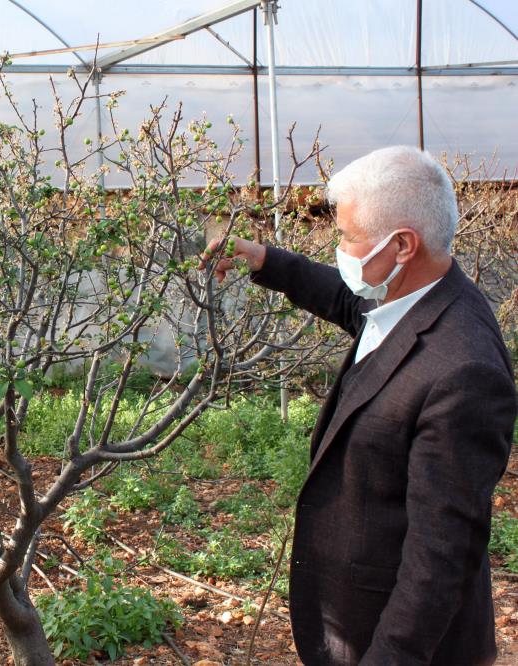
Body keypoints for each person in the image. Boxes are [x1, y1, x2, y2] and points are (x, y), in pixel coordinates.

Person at [205, 146, 516, 665]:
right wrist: (264, 259)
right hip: (356, 618)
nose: (341, 249)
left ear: (401, 246)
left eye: (349, 237)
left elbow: (440, 556)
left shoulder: (463, 371)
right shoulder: (418, 299)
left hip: (398, 641)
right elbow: (351, 303)